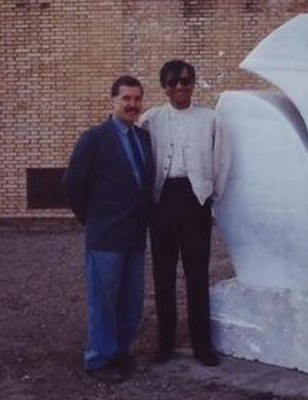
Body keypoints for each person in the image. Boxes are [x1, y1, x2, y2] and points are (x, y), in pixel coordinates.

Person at [64, 75, 154, 381]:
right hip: (105, 237)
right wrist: (93, 219)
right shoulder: (94, 139)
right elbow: (74, 185)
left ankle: (121, 352)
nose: (132, 104)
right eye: (126, 99)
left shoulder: (143, 138)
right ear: (112, 101)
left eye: (137, 99)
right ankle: (98, 360)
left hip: (135, 236)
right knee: (103, 302)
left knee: (131, 301)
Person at [139, 60, 228, 367]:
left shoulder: (210, 119)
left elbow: (222, 161)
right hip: (162, 200)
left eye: (186, 81)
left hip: (196, 200)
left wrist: (211, 196)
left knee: (197, 274)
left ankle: (202, 345)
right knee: (163, 275)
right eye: (172, 82)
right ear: (164, 87)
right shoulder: (151, 119)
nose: (180, 87)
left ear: (193, 83)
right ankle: (164, 344)